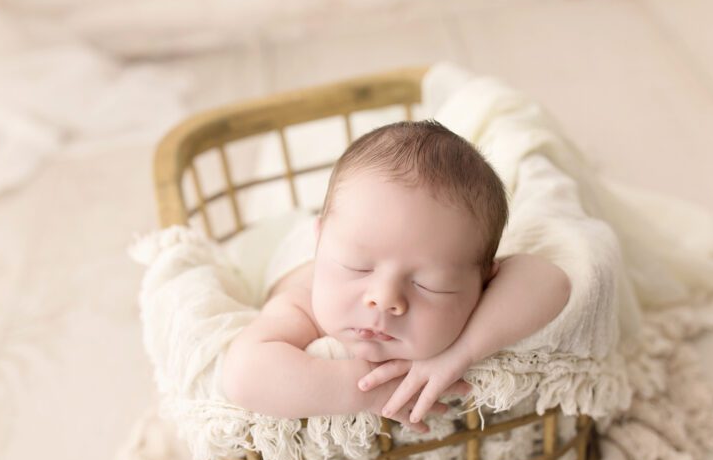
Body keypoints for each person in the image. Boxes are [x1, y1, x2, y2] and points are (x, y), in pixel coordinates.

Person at [221, 120, 572, 433]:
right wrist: (367, 390)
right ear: (321, 242)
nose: (384, 298)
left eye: (427, 284)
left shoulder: (463, 269)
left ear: (483, 284)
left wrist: (462, 352)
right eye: (358, 267)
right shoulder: (304, 306)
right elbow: (243, 375)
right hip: (286, 246)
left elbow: (552, 281)